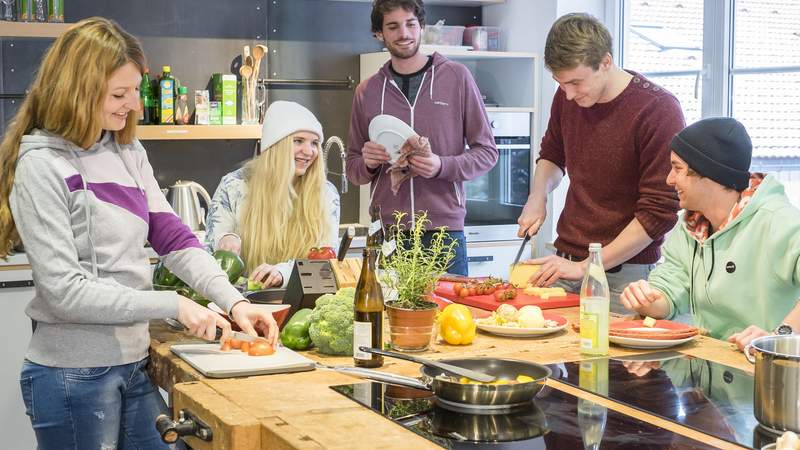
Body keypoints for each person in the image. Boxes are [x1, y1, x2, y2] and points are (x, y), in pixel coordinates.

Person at [0, 18, 278, 449]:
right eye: (119, 93)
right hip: (73, 377)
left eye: (135, 90)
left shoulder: (128, 152)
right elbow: (64, 292)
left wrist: (234, 301)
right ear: (77, 90)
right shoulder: (41, 166)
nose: (133, 103)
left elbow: (174, 238)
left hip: (133, 364)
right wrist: (174, 304)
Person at [516, 13, 684, 312]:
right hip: (564, 262)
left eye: (575, 82)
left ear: (605, 62)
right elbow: (553, 154)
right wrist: (537, 196)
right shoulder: (569, 97)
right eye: (560, 83)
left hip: (625, 277)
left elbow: (658, 213)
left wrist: (587, 267)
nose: (568, 93)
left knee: (614, 360)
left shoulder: (657, 110)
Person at [620, 117, 800, 350]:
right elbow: (668, 293)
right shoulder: (691, 227)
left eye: (677, 169)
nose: (669, 179)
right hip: (713, 368)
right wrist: (645, 300)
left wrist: (779, 337)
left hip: (770, 374)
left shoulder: (780, 221)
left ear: (709, 173)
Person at [346, 0, 498, 276]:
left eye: (410, 24)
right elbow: (354, 170)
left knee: (450, 316)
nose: (403, 33)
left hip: (443, 233)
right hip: (389, 233)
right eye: (392, 26)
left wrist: (442, 165)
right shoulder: (367, 91)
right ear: (379, 33)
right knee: (390, 318)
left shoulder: (457, 78)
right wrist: (367, 162)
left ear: (422, 27)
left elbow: (487, 152)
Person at [205, 101, 339, 287]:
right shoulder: (234, 185)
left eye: (315, 143)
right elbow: (212, 250)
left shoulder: (326, 194)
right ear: (275, 145)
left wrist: (282, 273)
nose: (309, 152)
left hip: (301, 303)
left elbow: (325, 264)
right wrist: (225, 239)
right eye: (298, 141)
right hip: (241, 301)